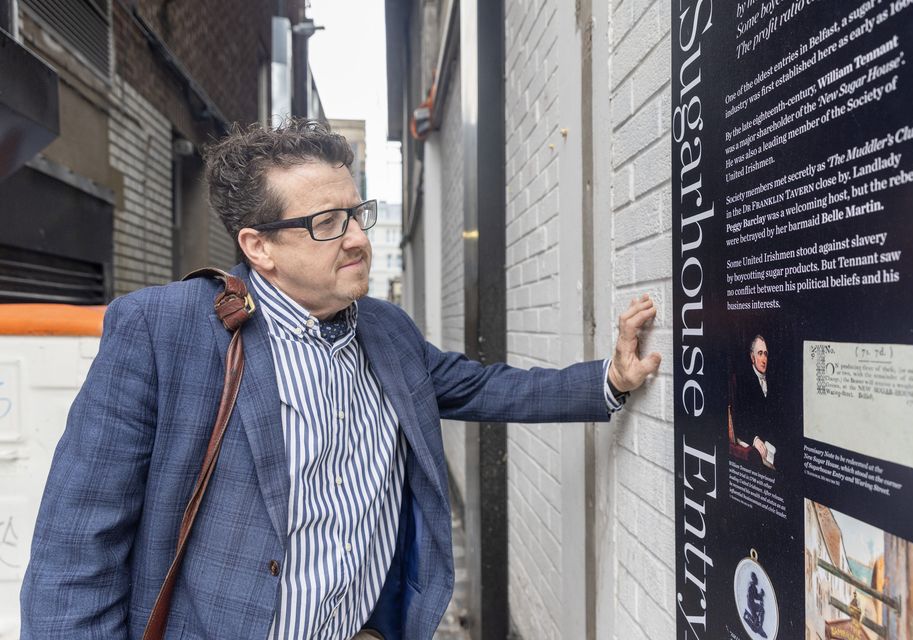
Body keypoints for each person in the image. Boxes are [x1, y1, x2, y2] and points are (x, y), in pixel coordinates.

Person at [19, 119, 661, 640]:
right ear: (259, 246)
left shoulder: (386, 331)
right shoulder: (166, 331)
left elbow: (482, 387)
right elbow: (77, 550)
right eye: (326, 223)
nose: (357, 238)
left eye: (357, 214)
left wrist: (611, 378)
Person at [734, 334, 776, 466]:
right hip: (756, 446)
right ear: (752, 357)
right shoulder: (743, 380)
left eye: (765, 354)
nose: (764, 359)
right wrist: (754, 439)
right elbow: (739, 420)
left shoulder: (772, 380)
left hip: (772, 445)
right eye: (760, 353)